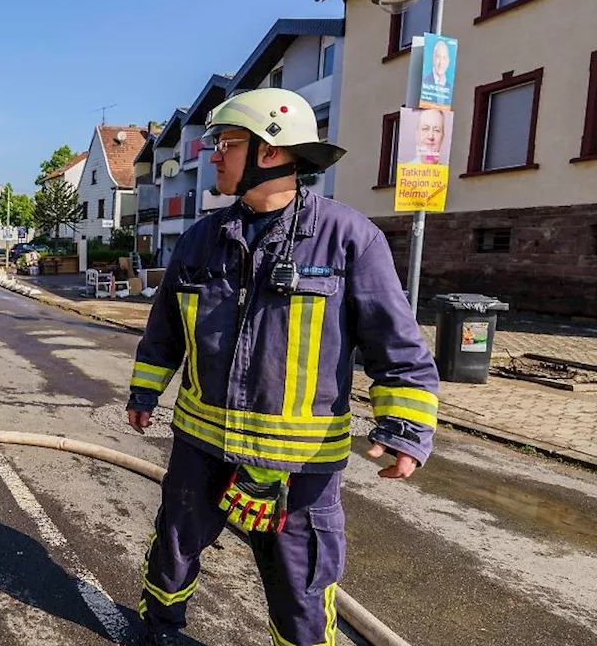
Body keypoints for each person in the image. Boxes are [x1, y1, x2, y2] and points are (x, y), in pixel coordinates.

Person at [126, 89, 439, 646]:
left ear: (270, 153)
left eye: (226, 144)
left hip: (301, 465)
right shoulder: (201, 240)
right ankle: (160, 631)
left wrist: (406, 430)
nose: (212, 157)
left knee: (302, 586)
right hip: (202, 447)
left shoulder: (349, 239)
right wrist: (144, 393)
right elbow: (165, 330)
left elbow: (398, 346)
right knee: (173, 552)